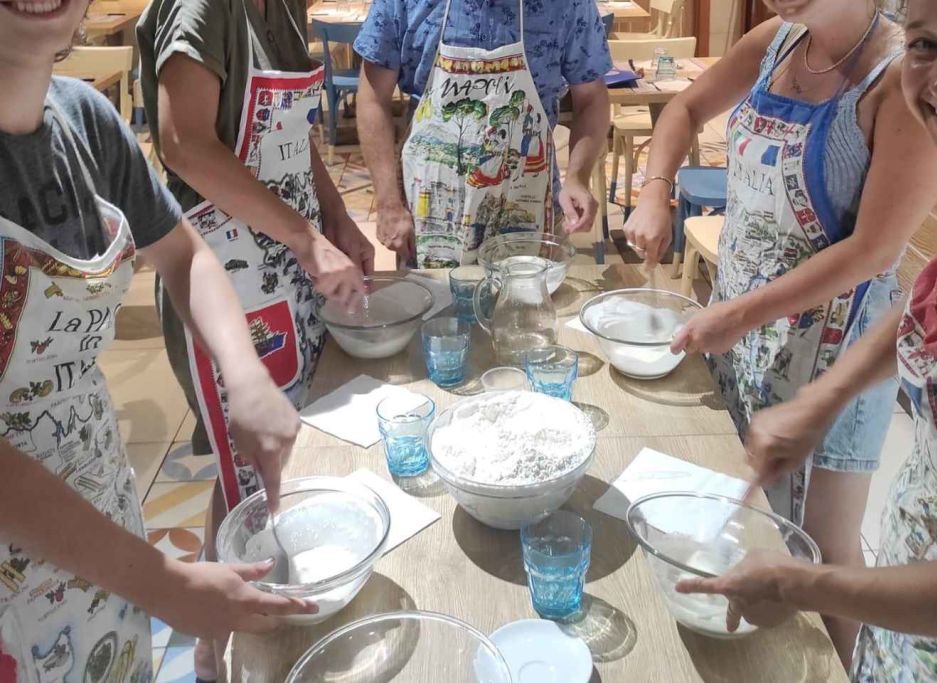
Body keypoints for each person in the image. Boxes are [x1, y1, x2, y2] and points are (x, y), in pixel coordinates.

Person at [676, 0, 937, 678]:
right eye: (925, 45)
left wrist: (800, 583)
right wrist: (823, 397)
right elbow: (931, 304)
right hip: (911, 618)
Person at [622, 0, 937, 664]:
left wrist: (738, 313)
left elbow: (873, 251)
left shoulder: (899, 78)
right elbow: (684, 108)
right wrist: (654, 189)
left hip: (836, 355)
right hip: (741, 334)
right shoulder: (777, 40)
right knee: (748, 518)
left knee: (823, 550)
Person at [0, 1, 317, 679]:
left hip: (100, 528)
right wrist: (163, 582)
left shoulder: (85, 122)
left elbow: (183, 254)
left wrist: (245, 375)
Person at [136, 0, 373, 675]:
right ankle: (227, 642)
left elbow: (292, 134)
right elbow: (183, 143)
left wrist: (333, 216)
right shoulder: (206, 8)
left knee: (258, 460)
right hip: (223, 275)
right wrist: (306, 238)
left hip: (284, 268)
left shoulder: (286, 6)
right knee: (245, 468)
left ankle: (221, 630)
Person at [354, 0, 611, 268]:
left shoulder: (568, 4)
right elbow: (373, 98)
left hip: (529, 205)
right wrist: (387, 201)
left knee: (528, 294)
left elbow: (591, 98)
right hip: (428, 214)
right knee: (434, 296)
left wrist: (578, 177)